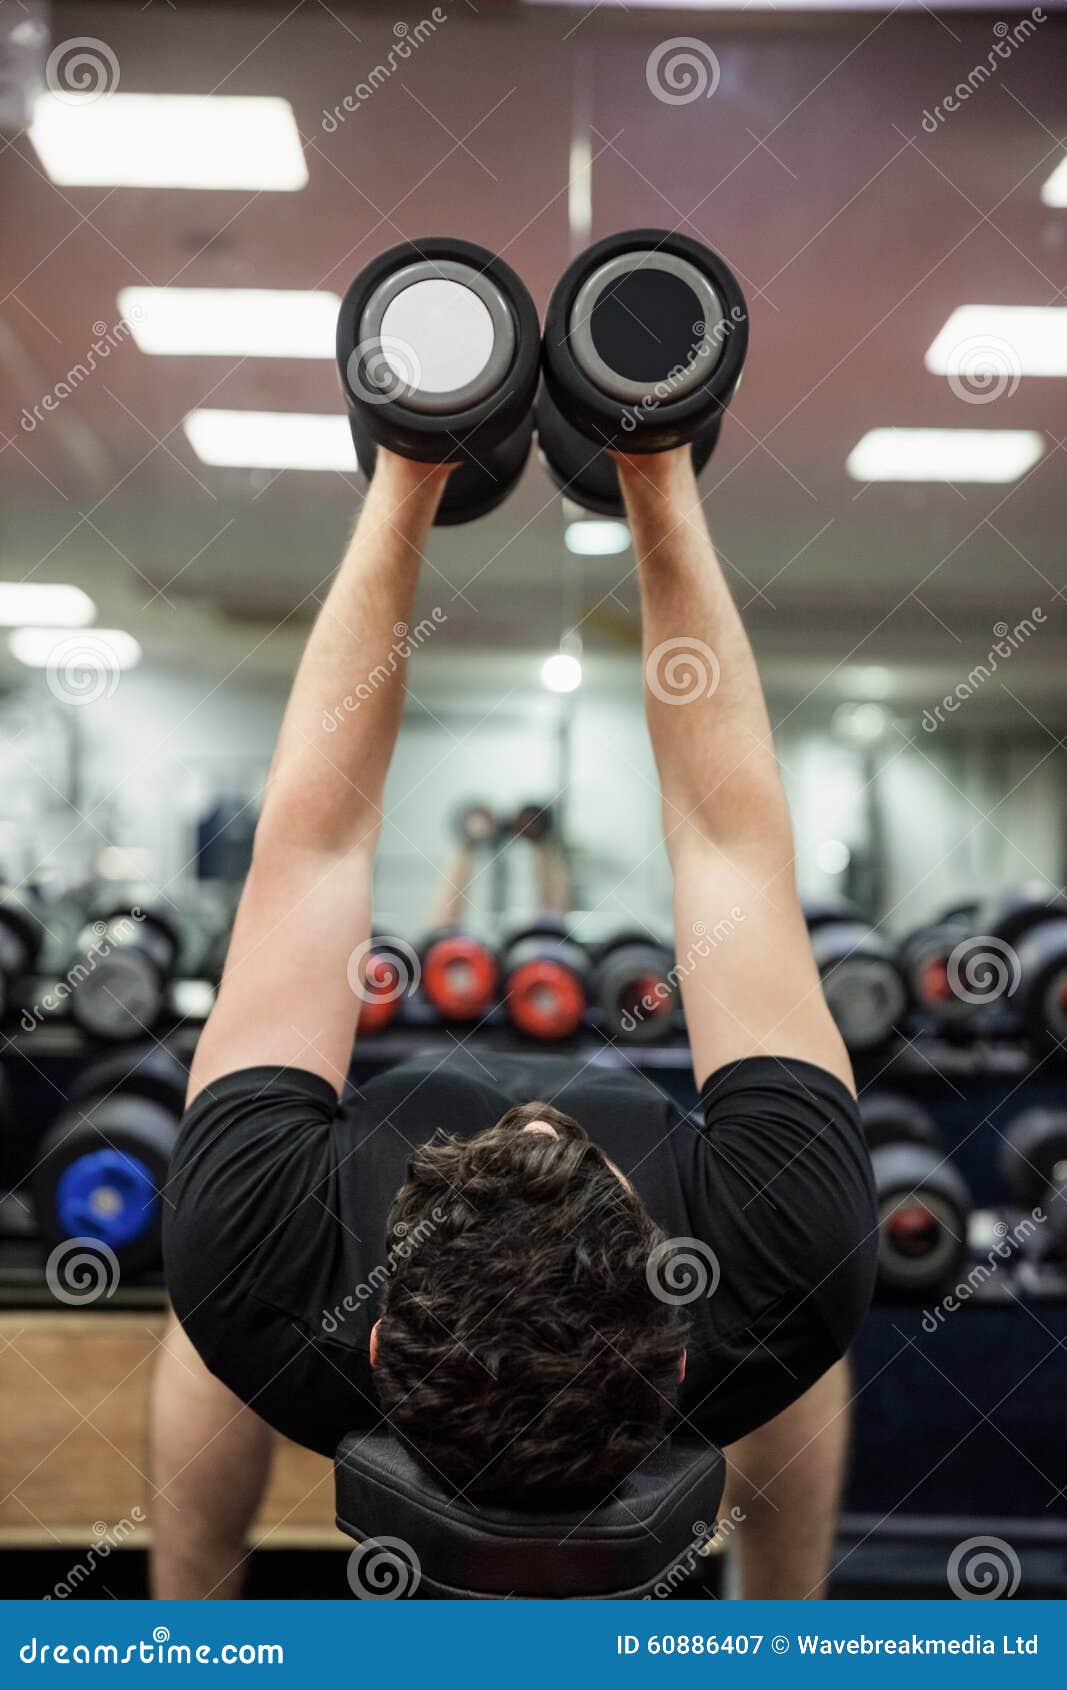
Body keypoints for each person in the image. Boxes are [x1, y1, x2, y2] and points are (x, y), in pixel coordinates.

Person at [151, 445, 877, 1600]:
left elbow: (317, 837)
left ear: (377, 1339)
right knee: (809, 1341)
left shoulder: (259, 1259)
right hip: (766, 1292)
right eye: (575, 1159)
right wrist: (655, 466)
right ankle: (777, 1635)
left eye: (495, 1156)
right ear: (682, 1344)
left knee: (202, 1323)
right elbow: (722, 835)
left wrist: (406, 467)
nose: (530, 1115)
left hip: (266, 1297)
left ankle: (185, 1637)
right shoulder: (777, 1255)